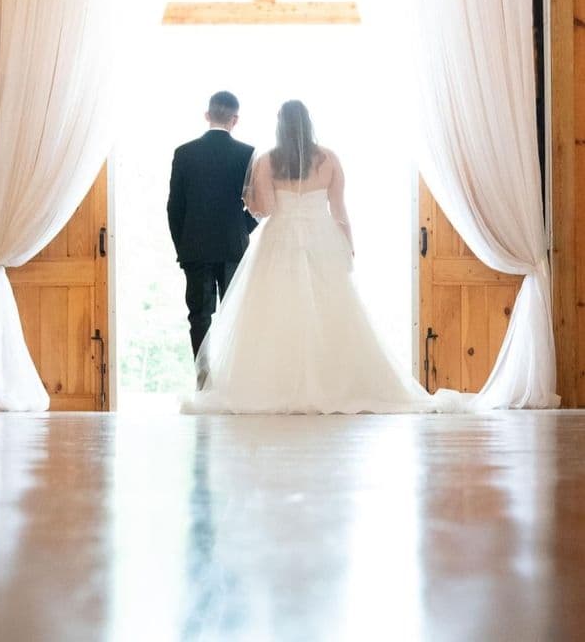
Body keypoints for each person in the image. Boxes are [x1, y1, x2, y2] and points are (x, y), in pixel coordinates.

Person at [181, 99, 462, 415]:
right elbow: (339, 210)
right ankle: (335, 383)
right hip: (322, 239)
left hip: (279, 239)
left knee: (277, 311)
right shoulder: (329, 159)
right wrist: (348, 245)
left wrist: (249, 198)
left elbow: (265, 210)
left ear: (280, 126)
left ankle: (276, 385)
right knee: (331, 308)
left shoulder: (267, 162)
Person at [167, 91, 258, 370]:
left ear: (207, 116)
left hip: (195, 249)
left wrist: (183, 246)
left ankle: (203, 380)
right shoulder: (247, 153)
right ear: (236, 119)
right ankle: (233, 377)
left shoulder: (184, 153)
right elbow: (256, 205)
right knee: (233, 315)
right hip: (232, 247)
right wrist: (241, 230)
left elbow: (174, 208)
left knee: (199, 316)